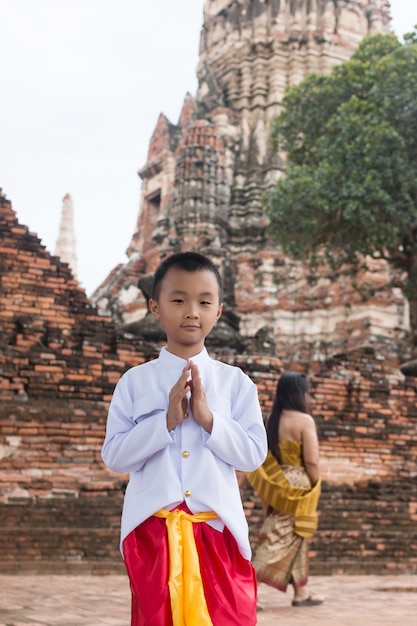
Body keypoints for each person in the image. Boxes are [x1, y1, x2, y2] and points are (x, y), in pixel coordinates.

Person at [101, 251, 268, 626]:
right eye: (178, 300)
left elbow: (254, 455)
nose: (192, 311)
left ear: (218, 310)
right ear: (155, 307)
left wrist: (209, 421)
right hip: (153, 532)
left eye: (204, 302)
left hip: (218, 529)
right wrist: (164, 422)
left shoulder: (236, 383)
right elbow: (114, 456)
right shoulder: (135, 381)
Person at [246, 371, 324, 607]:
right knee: (278, 537)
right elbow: (311, 461)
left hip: (276, 481)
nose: (309, 397)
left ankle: (301, 592)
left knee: (295, 536)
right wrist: (316, 484)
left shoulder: (272, 419)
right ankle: (248, 591)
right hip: (298, 484)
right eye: (307, 392)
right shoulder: (304, 420)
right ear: (299, 393)